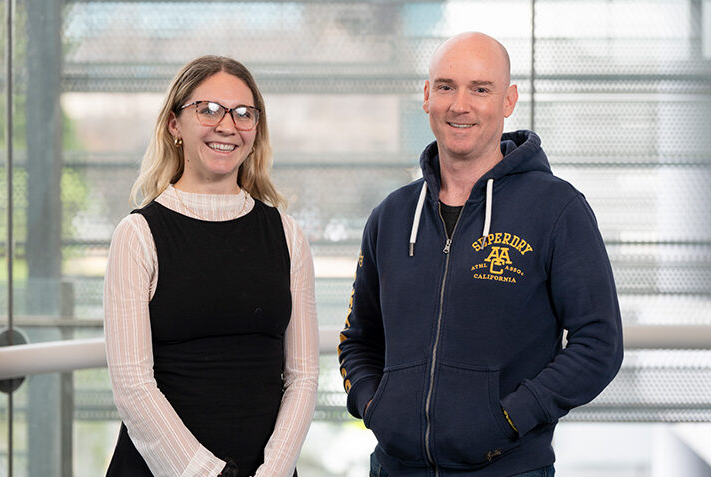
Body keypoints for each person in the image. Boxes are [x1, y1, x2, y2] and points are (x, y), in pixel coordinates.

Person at [338, 32, 623, 477]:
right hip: (394, 469)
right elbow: (358, 338)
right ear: (427, 95)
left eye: (481, 89)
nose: (460, 105)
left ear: (508, 101)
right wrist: (374, 405)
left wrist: (510, 417)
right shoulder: (391, 216)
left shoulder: (556, 209)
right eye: (447, 86)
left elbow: (599, 344)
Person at [104, 55, 318, 477]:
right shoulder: (138, 236)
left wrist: (273, 470)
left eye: (243, 113)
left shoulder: (287, 236)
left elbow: (304, 376)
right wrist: (208, 474)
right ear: (174, 124)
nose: (227, 125)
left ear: (256, 132)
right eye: (208, 109)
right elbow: (133, 385)